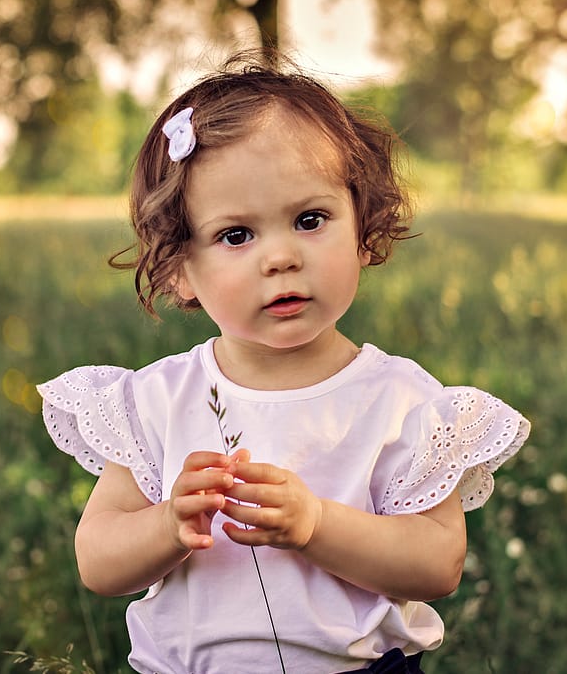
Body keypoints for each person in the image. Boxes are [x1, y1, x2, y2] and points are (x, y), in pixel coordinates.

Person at [37, 51, 530, 674]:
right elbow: (98, 563)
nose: (281, 257)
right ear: (180, 269)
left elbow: (438, 565)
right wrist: (166, 524)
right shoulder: (159, 400)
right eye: (236, 235)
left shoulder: (400, 398)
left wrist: (315, 524)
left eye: (309, 219)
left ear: (364, 229)